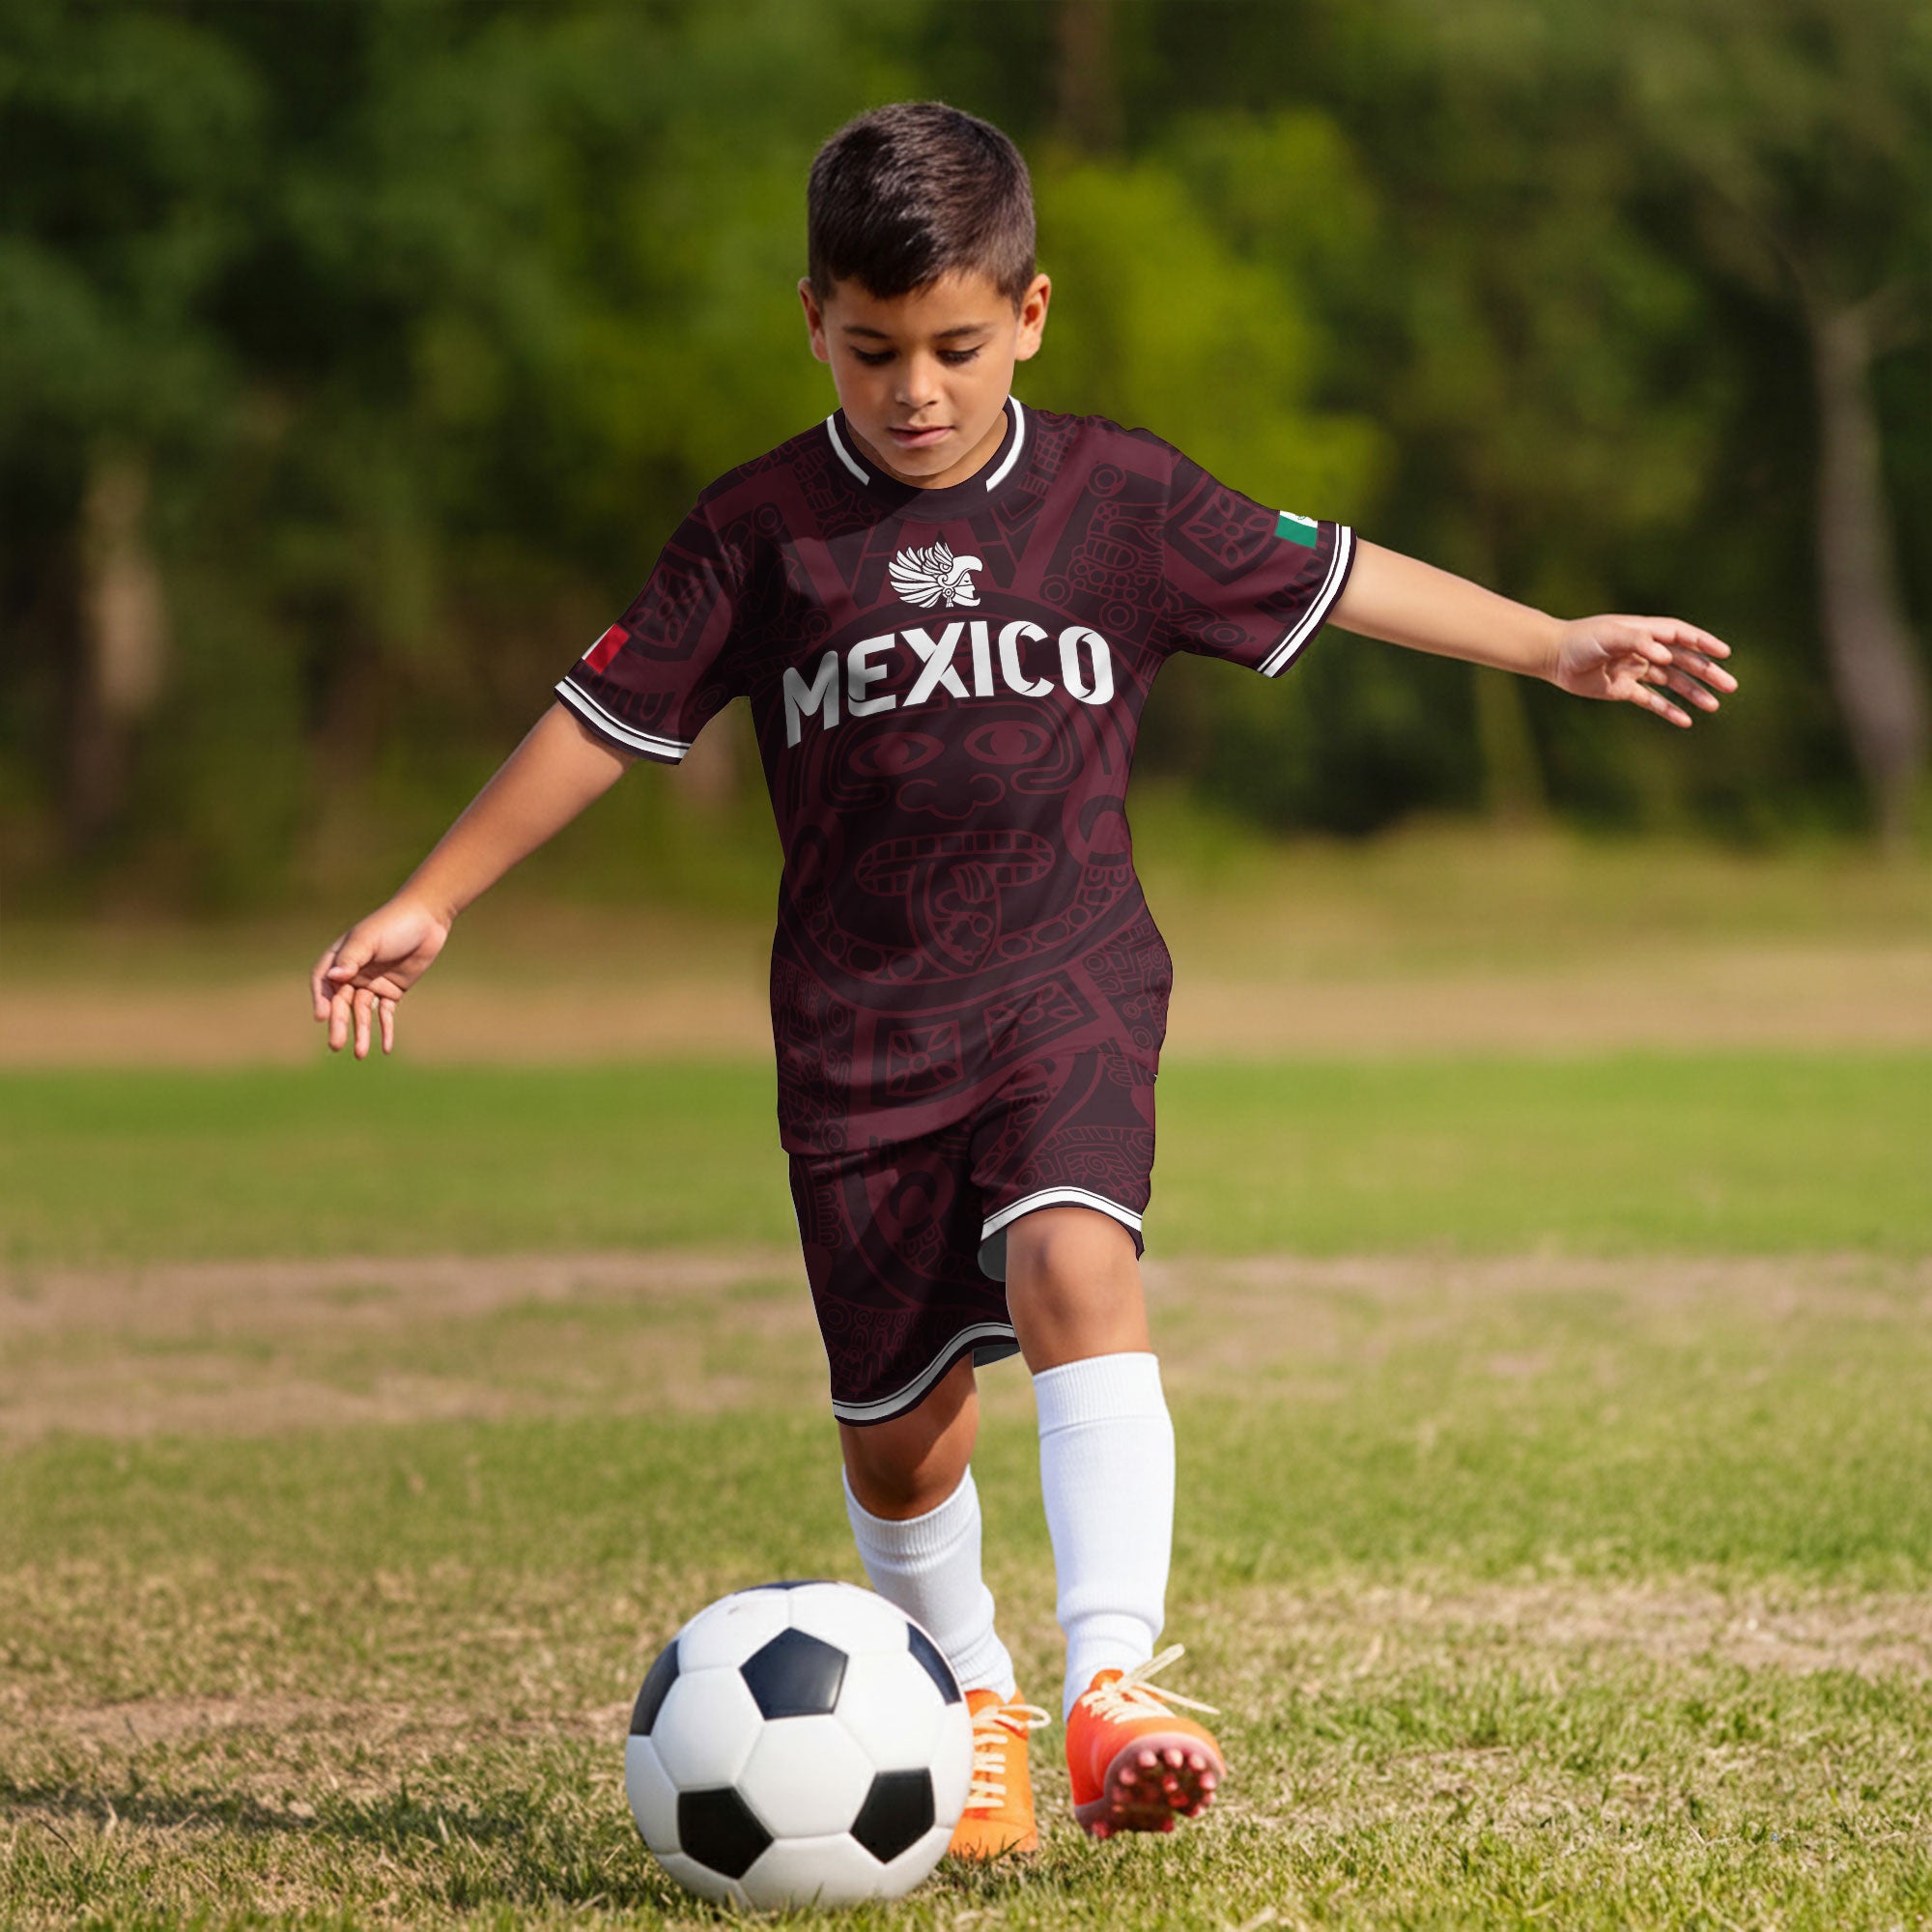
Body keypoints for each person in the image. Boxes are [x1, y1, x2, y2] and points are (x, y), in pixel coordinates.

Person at [310, 101, 1736, 1859]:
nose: (917, 388)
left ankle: (1111, 1686)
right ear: (814, 324)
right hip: (855, 1030)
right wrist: (431, 895)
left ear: (1032, 316)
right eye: (874, 349)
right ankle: (971, 1691)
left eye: (958, 349)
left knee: (1079, 1258)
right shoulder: (757, 530)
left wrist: (1554, 642)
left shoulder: (1118, 499)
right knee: (904, 1442)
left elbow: (1340, 574)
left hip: (1067, 981)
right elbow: (608, 720)